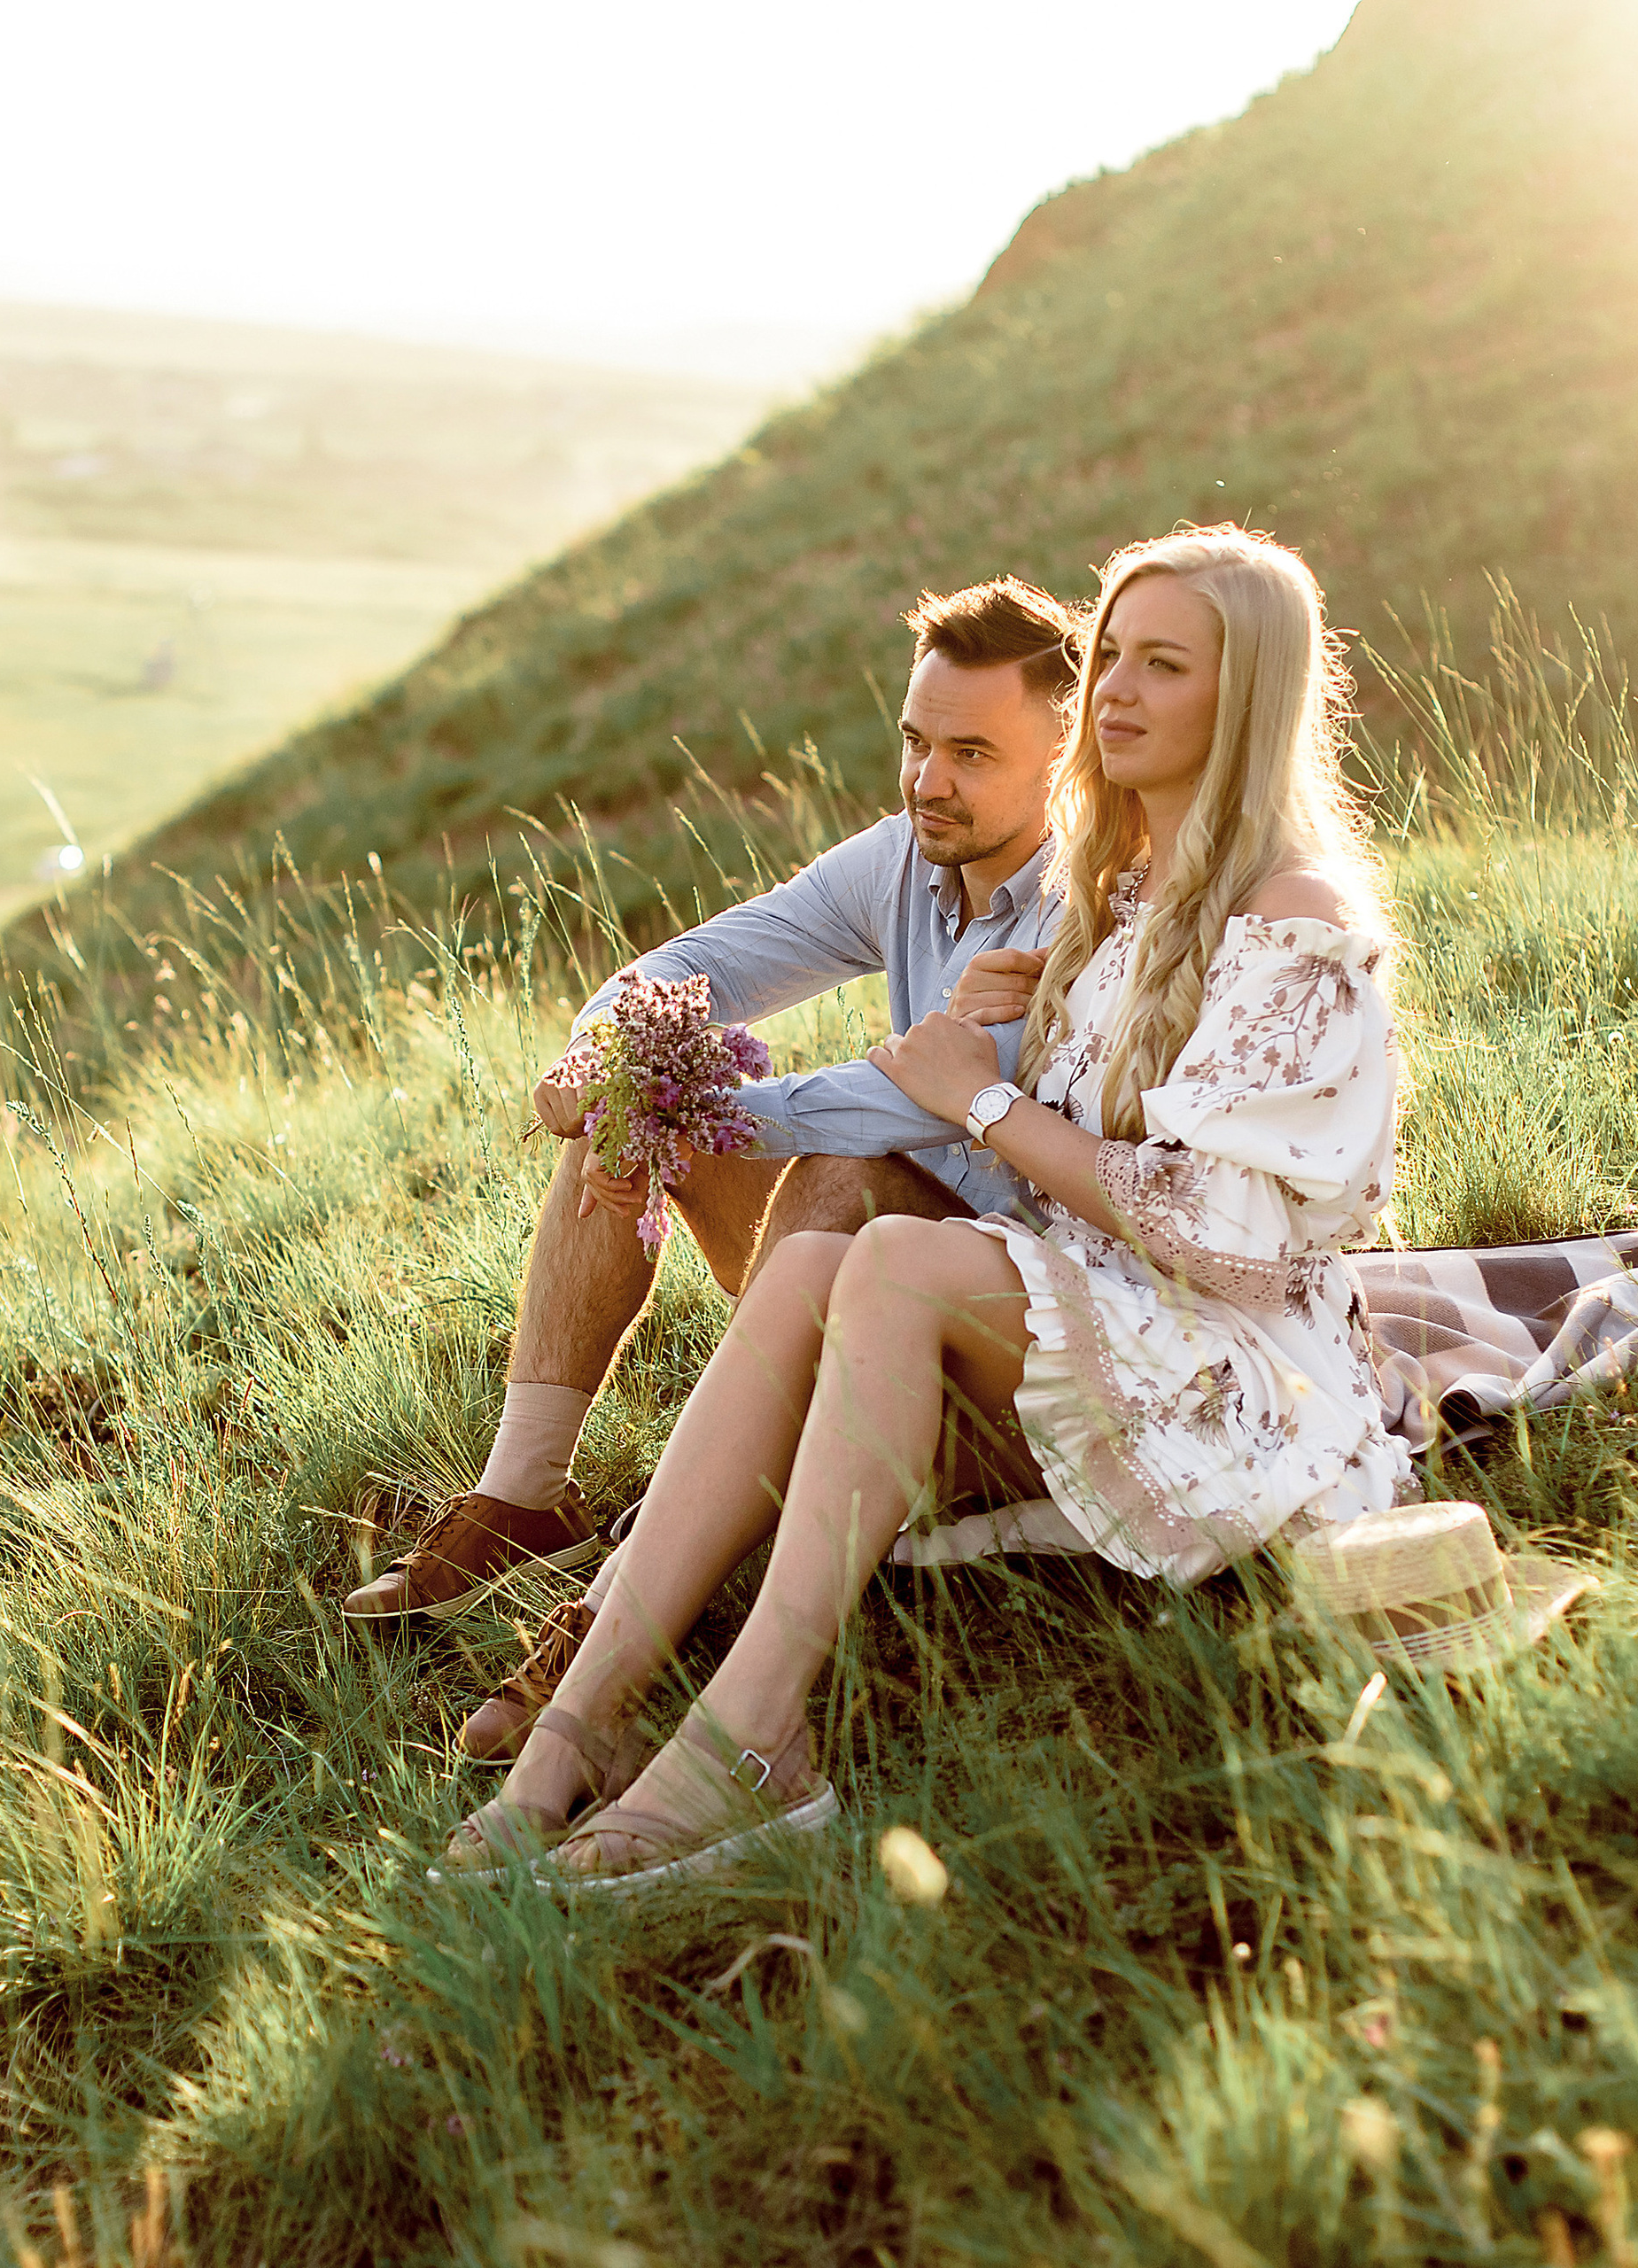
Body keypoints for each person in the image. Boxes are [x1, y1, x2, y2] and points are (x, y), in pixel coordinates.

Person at [439, 524, 1415, 1888]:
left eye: (1164, 666)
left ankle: (752, 1744)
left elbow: (1226, 1242)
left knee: (887, 1253)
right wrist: (669, 1095)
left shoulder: (1292, 916)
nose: (1119, 691)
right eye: (1115, 655)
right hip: (1076, 1315)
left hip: (1229, 1360)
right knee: (806, 1273)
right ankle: (570, 1732)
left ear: (1244, 694)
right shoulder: (1115, 902)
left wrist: (984, 1098)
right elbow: (835, 1033)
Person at [342, 579, 1082, 1689]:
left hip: (1007, 1335)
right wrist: (608, 1061)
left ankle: (618, 1599)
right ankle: (522, 1494)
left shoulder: (1091, 901)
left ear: (1063, 760)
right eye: (915, 741)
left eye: (972, 753)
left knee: (831, 1161)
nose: (929, 780)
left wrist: (688, 1101)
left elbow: (911, 1103)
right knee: (641, 1088)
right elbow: (690, 968)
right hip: (847, 1294)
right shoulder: (903, 855)